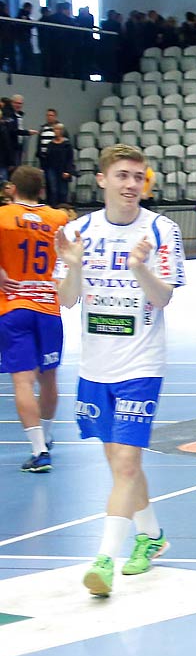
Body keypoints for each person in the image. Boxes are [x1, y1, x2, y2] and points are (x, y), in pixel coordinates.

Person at [58, 145, 185, 598]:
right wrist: (72, 268)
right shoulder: (77, 230)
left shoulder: (161, 229)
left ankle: (103, 561)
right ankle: (151, 536)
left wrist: (138, 268)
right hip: (95, 365)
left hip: (141, 362)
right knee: (119, 464)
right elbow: (68, 299)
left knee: (127, 462)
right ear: (103, 180)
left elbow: (165, 296)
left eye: (138, 177)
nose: (132, 184)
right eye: (123, 176)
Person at [0, 167, 69, 472]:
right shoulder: (59, 219)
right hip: (48, 308)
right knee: (49, 377)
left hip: (13, 307)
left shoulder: (2, 217)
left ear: (12, 188)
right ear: (42, 190)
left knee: (22, 380)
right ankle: (49, 434)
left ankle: (39, 449)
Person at [38, 124, 74, 207]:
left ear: (62, 131)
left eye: (58, 129)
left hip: (63, 169)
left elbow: (70, 159)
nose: (55, 131)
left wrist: (68, 171)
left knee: (63, 191)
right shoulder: (50, 144)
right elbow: (47, 157)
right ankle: (53, 207)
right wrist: (43, 168)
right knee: (53, 189)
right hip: (51, 169)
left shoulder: (67, 144)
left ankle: (62, 208)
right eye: (54, 129)